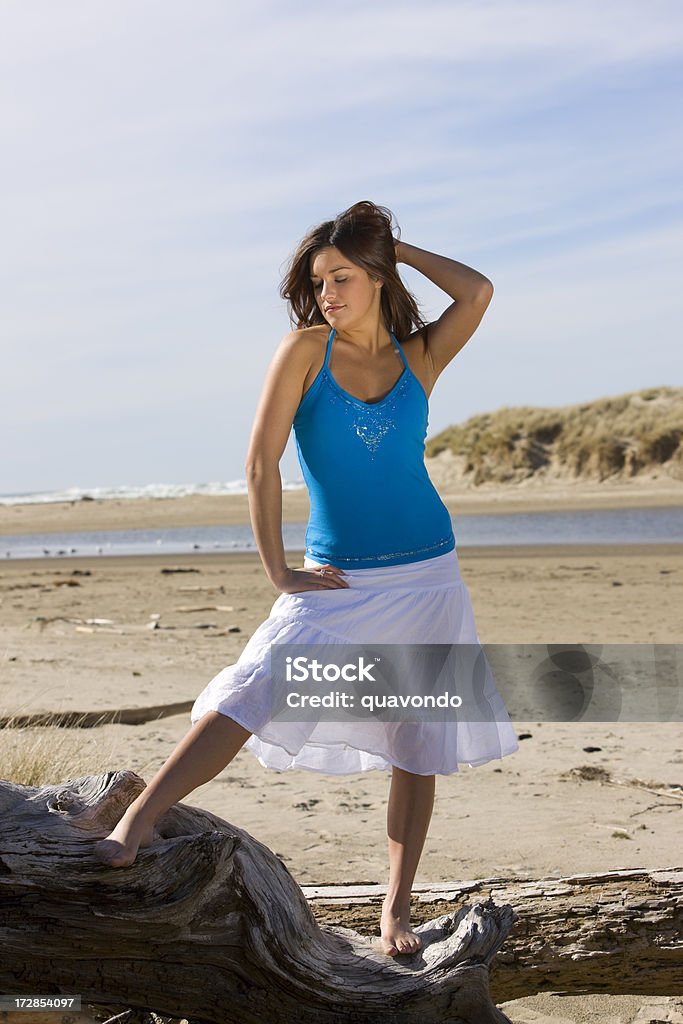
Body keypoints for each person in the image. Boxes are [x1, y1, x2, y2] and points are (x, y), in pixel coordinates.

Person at [93, 200, 519, 957]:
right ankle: (138, 821)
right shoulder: (305, 351)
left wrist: (394, 248)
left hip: (429, 576)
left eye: (344, 277)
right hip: (340, 581)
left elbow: (477, 291)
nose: (328, 292)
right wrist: (276, 567)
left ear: (377, 278)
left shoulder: (418, 358)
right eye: (319, 280)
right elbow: (260, 462)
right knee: (252, 687)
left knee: (416, 744)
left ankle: (394, 912)